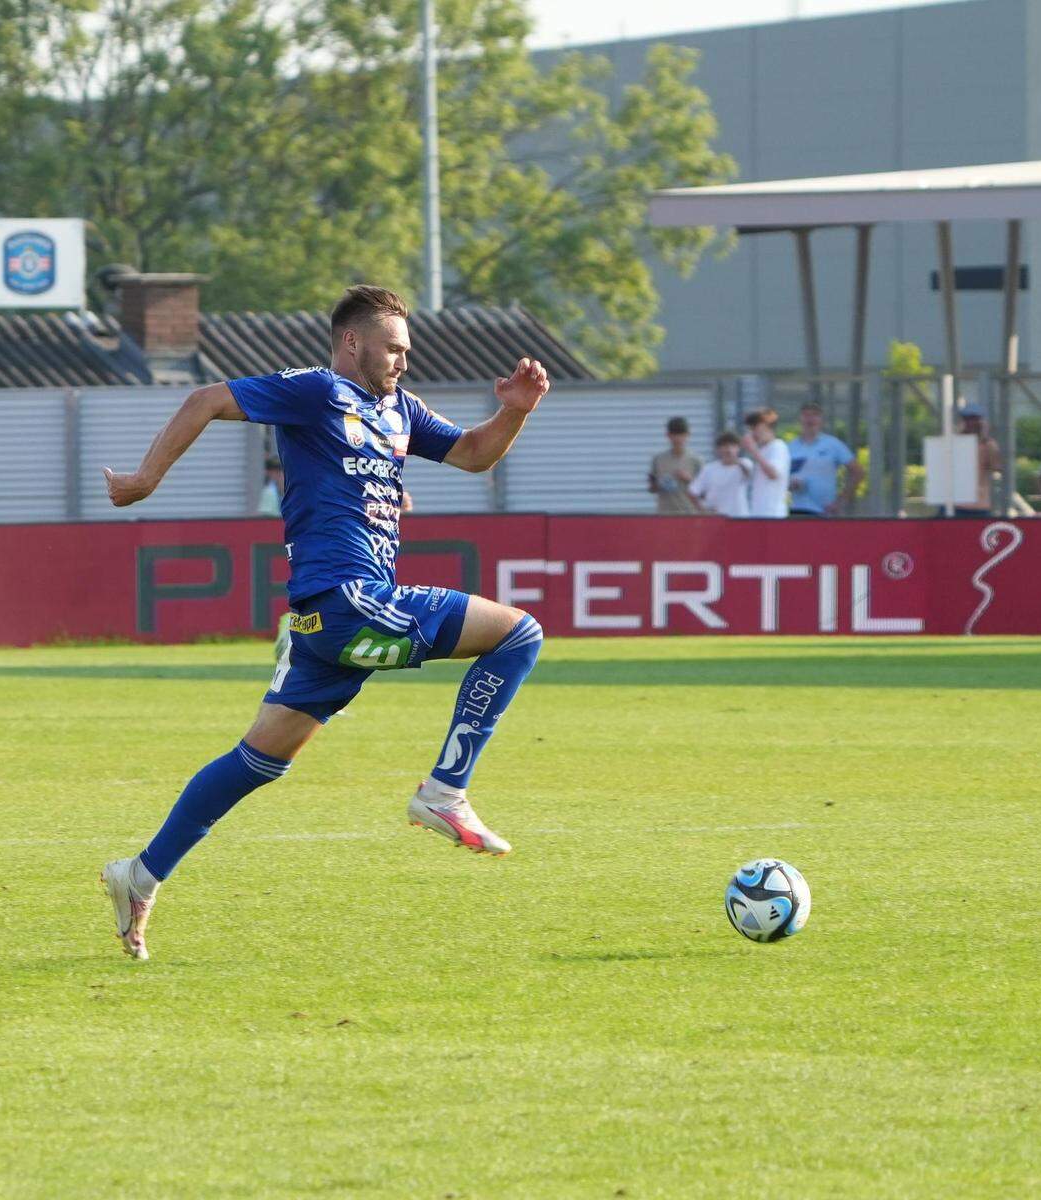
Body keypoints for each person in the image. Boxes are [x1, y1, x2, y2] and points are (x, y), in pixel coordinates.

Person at [98, 285, 551, 960]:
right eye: (392, 348)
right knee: (519, 632)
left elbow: (472, 454)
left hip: (325, 622)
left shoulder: (400, 410)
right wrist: (144, 478)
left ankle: (140, 874)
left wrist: (514, 411)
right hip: (349, 598)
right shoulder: (314, 390)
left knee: (260, 760)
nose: (402, 360)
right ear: (351, 342)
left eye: (406, 349)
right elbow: (206, 399)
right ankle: (444, 791)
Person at [787, 402, 862, 516]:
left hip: (824, 512)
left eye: (814, 415)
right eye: (806, 415)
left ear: (821, 420)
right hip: (797, 509)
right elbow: (780, 478)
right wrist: (791, 485)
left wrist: (840, 501)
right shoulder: (791, 447)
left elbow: (857, 472)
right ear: (800, 419)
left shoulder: (833, 444)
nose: (810, 419)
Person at [740, 408, 790, 518]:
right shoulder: (762, 450)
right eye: (751, 428)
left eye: (756, 427)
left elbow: (773, 474)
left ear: (768, 426)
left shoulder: (778, 446)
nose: (753, 433)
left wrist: (753, 450)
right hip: (757, 514)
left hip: (773, 515)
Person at [953, 407, 1002, 518]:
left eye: (975, 420)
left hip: (979, 504)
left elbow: (997, 467)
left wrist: (985, 438)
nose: (971, 424)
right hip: (955, 504)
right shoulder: (954, 443)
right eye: (967, 420)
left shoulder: (988, 445)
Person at [689, 431, 752, 516]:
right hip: (716, 520)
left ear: (738, 448)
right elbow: (693, 492)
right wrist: (703, 511)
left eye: (733, 446)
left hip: (739, 518)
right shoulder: (709, 469)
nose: (729, 450)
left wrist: (736, 461)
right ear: (718, 449)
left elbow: (748, 473)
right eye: (725, 446)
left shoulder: (744, 463)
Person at [648, 416, 702, 514]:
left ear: (688, 435)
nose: (678, 439)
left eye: (681, 435)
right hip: (664, 513)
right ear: (668, 435)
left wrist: (689, 479)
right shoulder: (658, 459)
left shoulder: (696, 460)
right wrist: (660, 484)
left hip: (689, 513)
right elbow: (652, 488)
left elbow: (704, 491)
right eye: (674, 435)